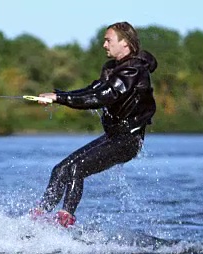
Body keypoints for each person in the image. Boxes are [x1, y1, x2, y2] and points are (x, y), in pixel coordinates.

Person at [31, 21, 158, 227]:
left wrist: (59, 99)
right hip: (113, 138)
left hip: (128, 141)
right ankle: (37, 219)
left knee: (76, 169)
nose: (104, 45)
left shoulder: (134, 71)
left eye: (108, 40)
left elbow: (102, 97)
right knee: (60, 170)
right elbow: (91, 91)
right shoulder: (112, 68)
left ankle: (64, 222)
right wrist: (58, 95)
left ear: (125, 43)